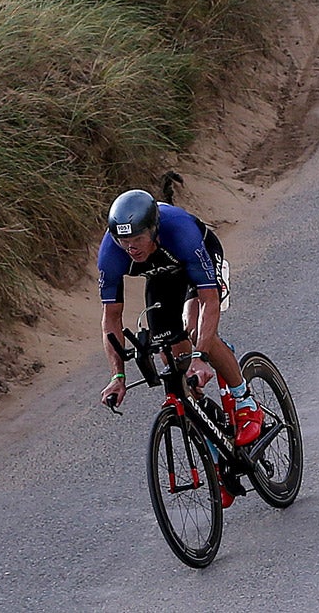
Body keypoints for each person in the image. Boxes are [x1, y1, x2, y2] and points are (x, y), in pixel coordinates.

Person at [96, 190, 265, 452]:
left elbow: (210, 301)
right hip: (163, 274)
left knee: (196, 331)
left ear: (153, 230)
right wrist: (117, 376)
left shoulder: (180, 231)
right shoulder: (111, 253)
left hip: (198, 260)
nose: (131, 247)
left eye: (138, 238)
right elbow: (111, 319)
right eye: (123, 240)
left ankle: (245, 402)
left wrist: (202, 356)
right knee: (168, 349)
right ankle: (204, 412)